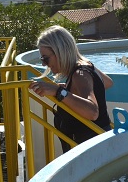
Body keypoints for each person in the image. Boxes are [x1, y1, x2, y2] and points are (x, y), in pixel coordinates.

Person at [29, 25, 113, 153]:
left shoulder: (80, 74)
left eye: (45, 58)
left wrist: (59, 92)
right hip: (101, 146)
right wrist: (70, 90)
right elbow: (106, 83)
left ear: (60, 51)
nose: (43, 64)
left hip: (92, 153)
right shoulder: (87, 65)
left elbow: (92, 112)